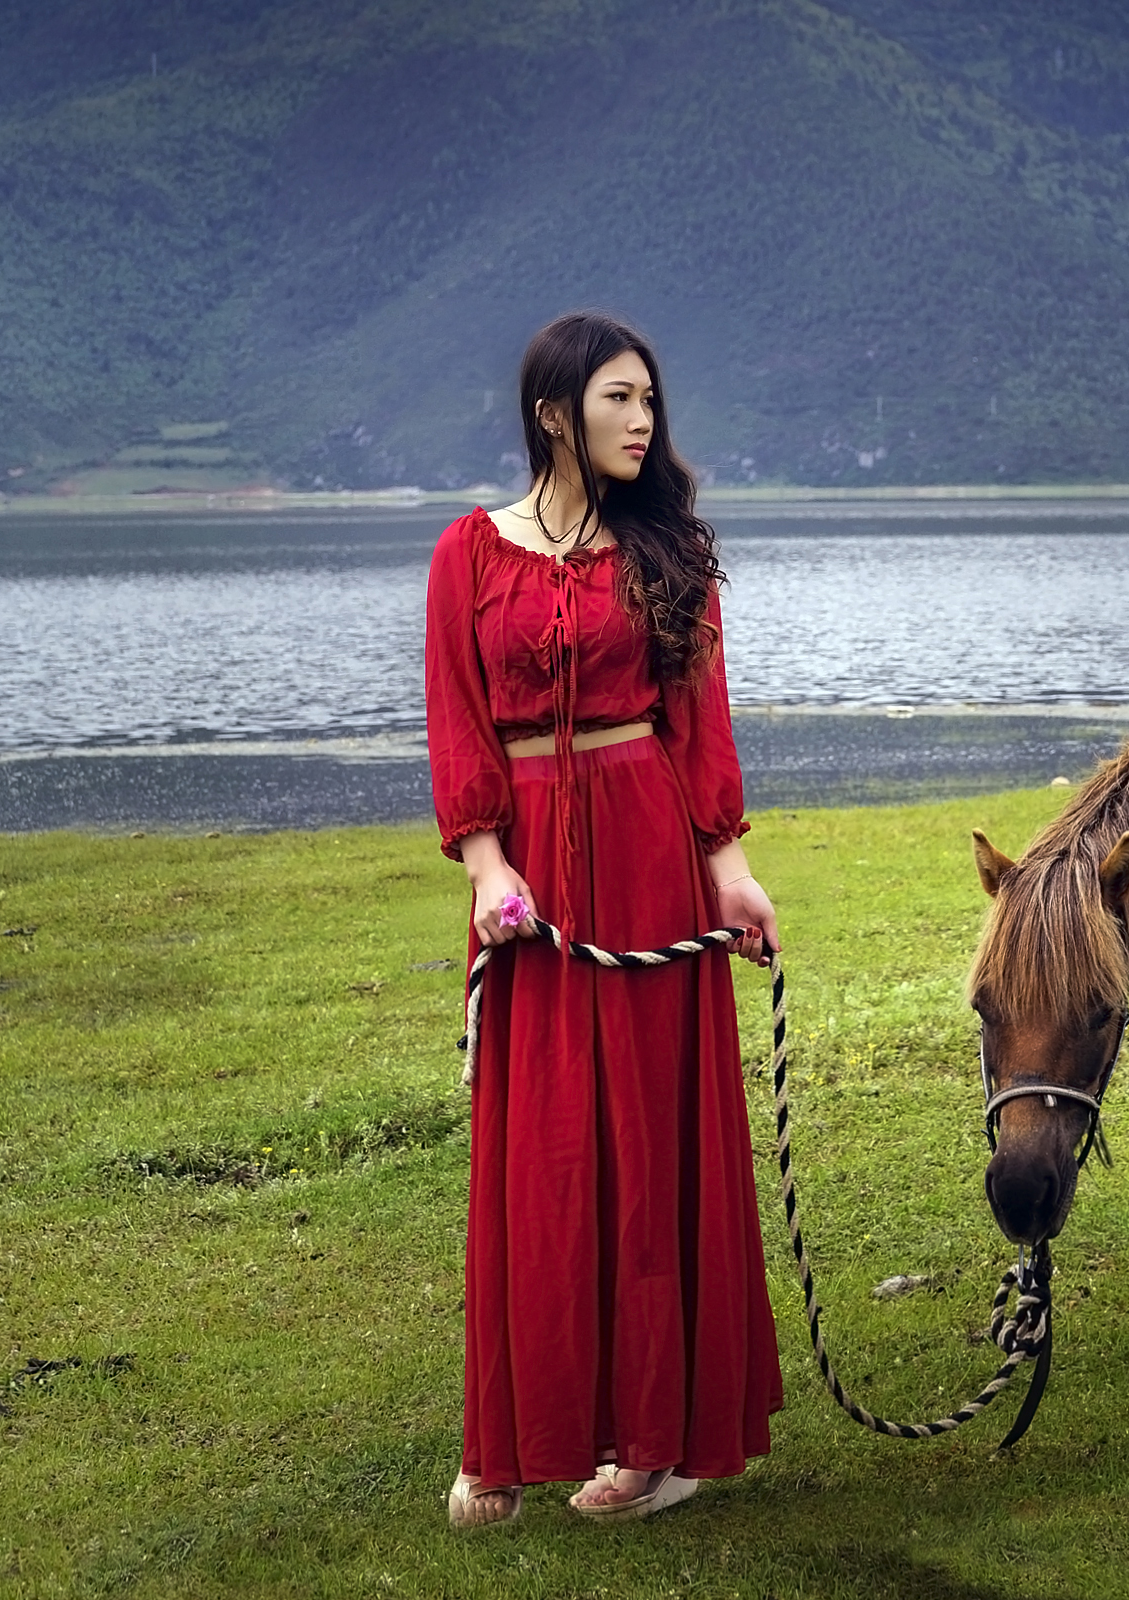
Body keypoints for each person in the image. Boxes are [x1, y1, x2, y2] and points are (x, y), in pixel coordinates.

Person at [425, 312, 785, 1527]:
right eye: (619, 399)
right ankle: (516, 1433)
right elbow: (459, 718)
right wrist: (484, 866)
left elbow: (699, 721)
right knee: (542, 1153)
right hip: (526, 873)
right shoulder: (466, 556)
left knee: (647, 1149)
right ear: (553, 414)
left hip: (646, 856)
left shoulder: (666, 552)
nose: (643, 420)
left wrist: (727, 869)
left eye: (649, 401)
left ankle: (658, 1440)